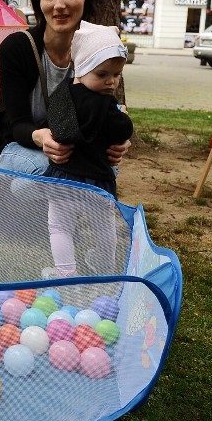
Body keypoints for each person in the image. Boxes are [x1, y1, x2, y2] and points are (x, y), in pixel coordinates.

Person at [0, 0, 131, 174]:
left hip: (70, 151)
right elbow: (17, 125)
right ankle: (16, 201)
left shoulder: (99, 50)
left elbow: (99, 112)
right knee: (47, 171)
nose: (59, 5)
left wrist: (118, 136)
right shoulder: (17, 48)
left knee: (107, 169)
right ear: (39, 3)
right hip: (17, 145)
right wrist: (41, 136)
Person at [43, 22, 134, 277]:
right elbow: (122, 131)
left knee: (60, 226)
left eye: (116, 75)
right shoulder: (103, 105)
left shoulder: (64, 94)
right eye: (102, 74)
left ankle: (65, 272)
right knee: (103, 227)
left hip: (63, 176)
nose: (111, 82)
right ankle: (104, 269)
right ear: (81, 67)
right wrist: (123, 116)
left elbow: (54, 124)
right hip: (98, 181)